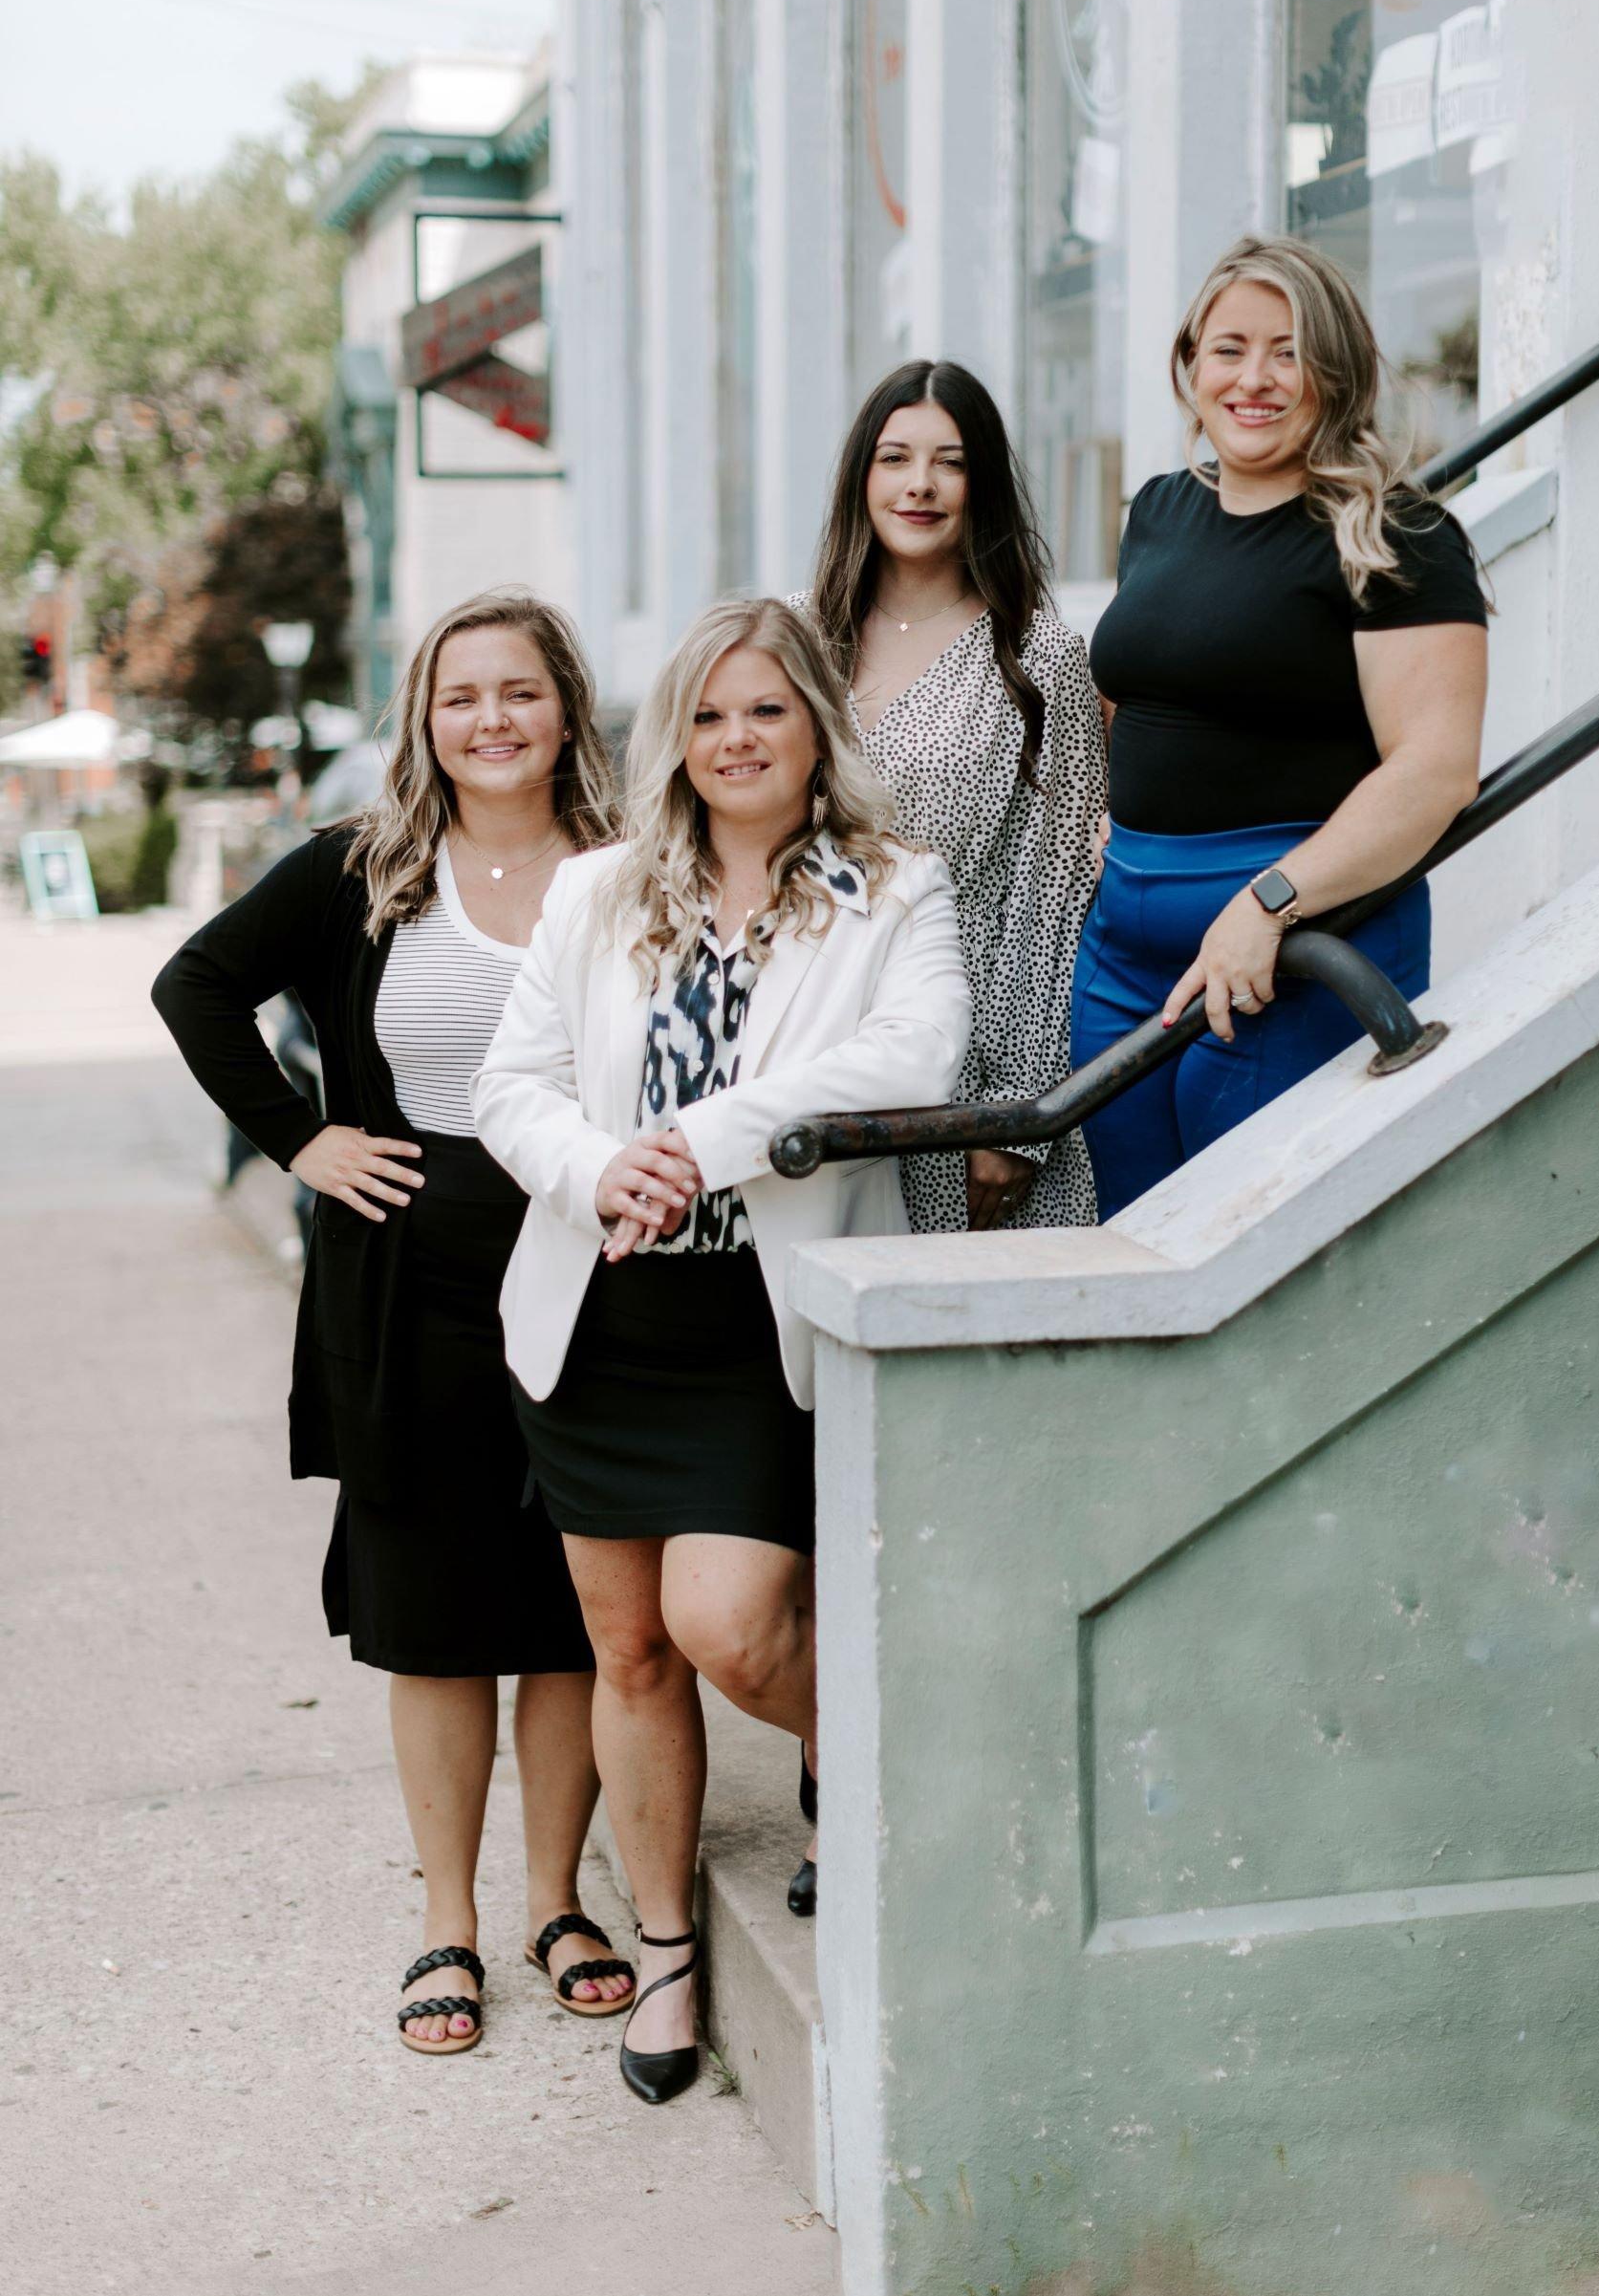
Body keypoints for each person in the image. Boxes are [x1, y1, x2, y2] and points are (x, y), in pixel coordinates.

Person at [472, 596, 970, 2106]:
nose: (735, 739)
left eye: (763, 709)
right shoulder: (597, 893)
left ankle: (858, 1745)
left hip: (760, 1318)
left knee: (733, 1624)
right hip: (599, 1313)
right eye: (706, 714)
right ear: (670, 738)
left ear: (813, 720)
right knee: (626, 1647)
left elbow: (914, 1058)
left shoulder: (895, 888)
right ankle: (671, 1947)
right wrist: (588, 1166)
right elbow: (513, 1082)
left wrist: (690, 1137)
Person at [152, 589, 638, 2054]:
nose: (490, 718)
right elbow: (197, 987)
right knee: (433, 1616)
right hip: (406, 1286)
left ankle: (558, 1900)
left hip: (589, 1279)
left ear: (566, 708)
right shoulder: (363, 871)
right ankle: (449, 1923)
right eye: (459, 694)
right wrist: (302, 1140)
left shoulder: (625, 873)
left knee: (572, 1607)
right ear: (425, 720)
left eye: (518, 690)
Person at [1070, 234, 1489, 1220]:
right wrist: (1113, 828)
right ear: (1190, 364)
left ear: (1334, 372)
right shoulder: (1161, 511)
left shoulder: (1398, 536)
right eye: (1228, 349)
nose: (1253, 379)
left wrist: (1270, 903)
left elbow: (1433, 772)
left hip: (1292, 956)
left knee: (1240, 1250)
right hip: (1125, 955)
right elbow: (1142, 689)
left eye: (1287, 352)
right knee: (1128, 1242)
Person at [802, 358, 1104, 1232]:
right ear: (862, 475)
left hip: (962, 1073)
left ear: (985, 485)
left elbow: (1052, 901)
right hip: (798, 1047)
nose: (921, 485)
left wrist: (1019, 1113)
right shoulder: (792, 642)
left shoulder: (1037, 658)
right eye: (895, 458)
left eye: (952, 461)